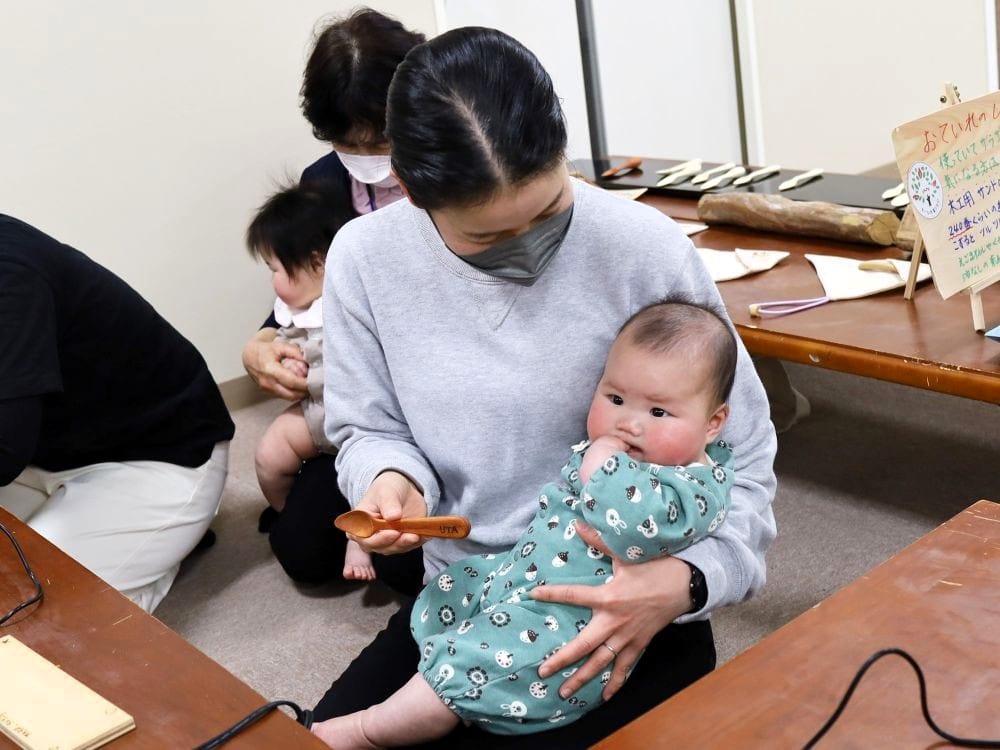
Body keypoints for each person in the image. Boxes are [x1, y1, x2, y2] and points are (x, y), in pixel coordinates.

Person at [310, 26, 777, 749]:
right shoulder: (365, 259)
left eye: (549, 211)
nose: (528, 246)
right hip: (472, 596)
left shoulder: (642, 249)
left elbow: (741, 456)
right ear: (407, 185)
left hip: (628, 598)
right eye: (489, 238)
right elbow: (366, 429)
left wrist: (686, 582)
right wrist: (389, 478)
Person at [321, 300, 738, 747]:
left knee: (459, 674)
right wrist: (392, 476)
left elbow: (636, 527)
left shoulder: (692, 485)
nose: (628, 423)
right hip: (519, 574)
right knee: (454, 590)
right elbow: (366, 427)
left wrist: (602, 465)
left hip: (572, 621)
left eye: (658, 412)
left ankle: (369, 730)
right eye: (615, 399)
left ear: (713, 424)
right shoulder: (629, 453)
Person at [241, 8, 426, 591]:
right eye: (351, 142)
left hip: (440, 386)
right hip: (362, 397)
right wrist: (263, 343)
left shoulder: (458, 167)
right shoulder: (323, 181)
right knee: (305, 552)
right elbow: (304, 291)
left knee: (404, 559)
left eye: (383, 140)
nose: (370, 156)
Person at [0, 215, 234, 613]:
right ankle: (144, 547)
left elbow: (6, 448)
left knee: (27, 609)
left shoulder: (10, 276)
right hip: (48, 452)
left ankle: (155, 548)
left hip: (158, 459)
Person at [246, 181, 382, 578]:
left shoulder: (348, 301)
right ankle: (283, 509)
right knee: (268, 454)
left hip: (359, 411)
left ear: (318, 264)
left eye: (275, 269)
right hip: (316, 413)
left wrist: (307, 379)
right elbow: (286, 339)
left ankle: (359, 545)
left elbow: (353, 366)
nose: (272, 281)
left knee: (369, 470)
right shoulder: (300, 306)